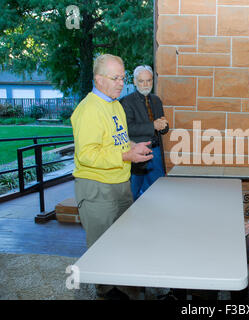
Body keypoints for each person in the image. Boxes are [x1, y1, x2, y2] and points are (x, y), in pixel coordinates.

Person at [71, 53, 153, 299]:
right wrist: (125, 156)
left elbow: (119, 140)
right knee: (101, 248)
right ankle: (106, 292)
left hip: (120, 184)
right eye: (115, 78)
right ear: (99, 79)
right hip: (97, 189)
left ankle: (124, 285)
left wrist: (132, 148)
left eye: (122, 77)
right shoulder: (88, 110)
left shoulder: (115, 104)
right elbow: (87, 155)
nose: (121, 82)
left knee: (123, 242)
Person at [120, 65, 169, 200]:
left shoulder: (156, 100)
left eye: (149, 80)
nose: (145, 84)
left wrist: (164, 126)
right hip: (136, 151)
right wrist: (153, 125)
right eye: (141, 81)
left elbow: (163, 128)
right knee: (133, 192)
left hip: (156, 151)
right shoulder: (126, 102)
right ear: (135, 82)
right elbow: (127, 128)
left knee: (158, 190)